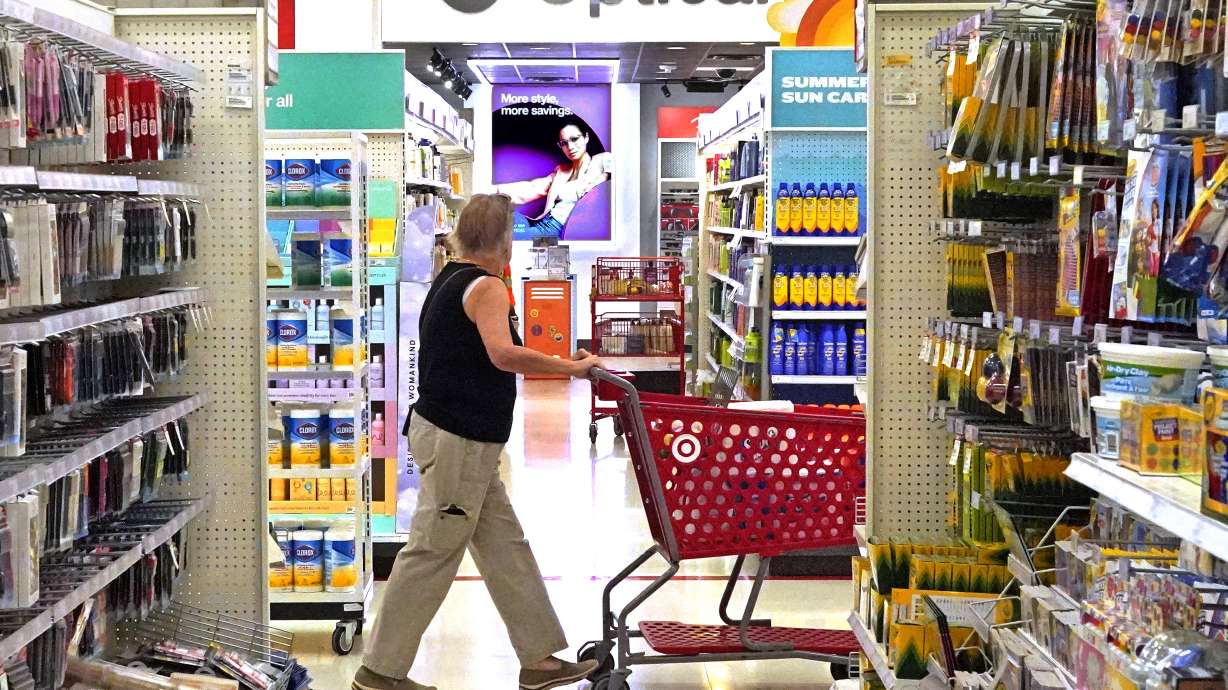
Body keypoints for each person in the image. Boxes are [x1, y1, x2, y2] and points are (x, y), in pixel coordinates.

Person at [351, 194, 602, 690]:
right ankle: (379, 672)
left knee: (506, 548)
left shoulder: (451, 277)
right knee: (431, 552)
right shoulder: (487, 287)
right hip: (459, 441)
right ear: (501, 238)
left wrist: (558, 360)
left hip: (459, 439)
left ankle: (540, 660)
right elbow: (503, 355)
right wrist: (572, 370)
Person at [495, 115, 613, 240]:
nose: (570, 147)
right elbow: (532, 187)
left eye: (574, 139)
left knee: (505, 237)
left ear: (586, 137)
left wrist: (597, 182)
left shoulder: (602, 160)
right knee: (498, 214)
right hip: (541, 224)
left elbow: (620, 173)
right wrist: (491, 191)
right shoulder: (561, 171)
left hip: (554, 234)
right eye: (564, 143)